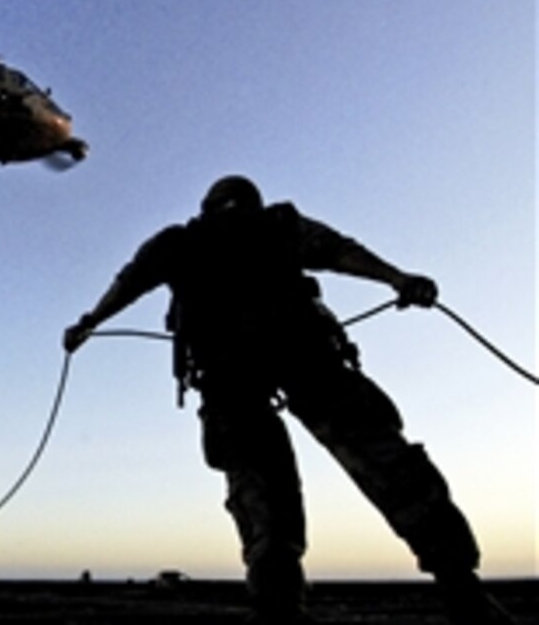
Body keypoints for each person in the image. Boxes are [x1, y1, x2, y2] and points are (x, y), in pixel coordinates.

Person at [63, 175, 514, 625]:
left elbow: (127, 284)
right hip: (298, 360)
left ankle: (280, 609)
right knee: (384, 464)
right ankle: (461, 588)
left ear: (206, 207)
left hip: (240, 376)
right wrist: (398, 278)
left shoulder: (181, 242)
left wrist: (88, 323)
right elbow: (339, 251)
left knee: (265, 495)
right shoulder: (275, 225)